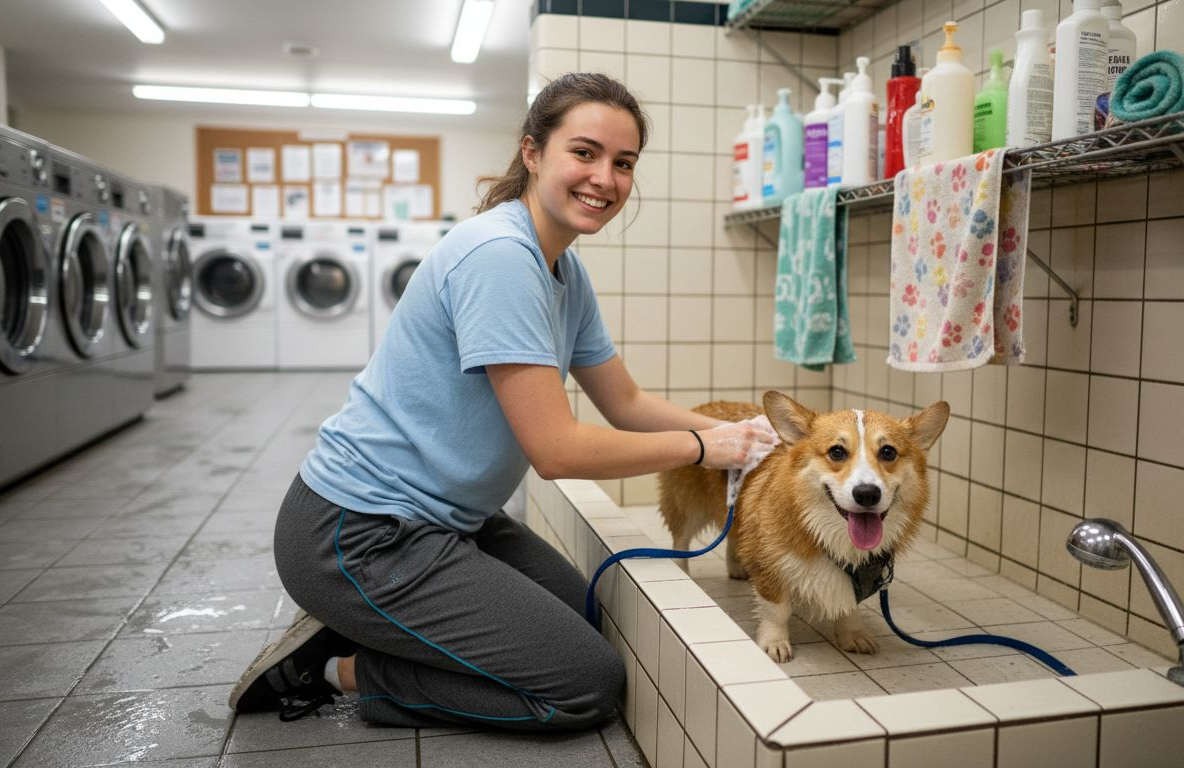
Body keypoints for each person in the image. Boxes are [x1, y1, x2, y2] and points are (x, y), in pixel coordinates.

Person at [228, 72, 778, 730]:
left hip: (443, 521)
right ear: (532, 153)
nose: (605, 177)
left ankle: (375, 626)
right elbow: (555, 450)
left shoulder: (563, 270)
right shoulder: (499, 257)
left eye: (623, 163)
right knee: (583, 683)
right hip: (356, 532)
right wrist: (700, 446)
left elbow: (625, 402)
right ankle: (338, 668)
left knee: (579, 612)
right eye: (584, 152)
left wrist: (745, 433)